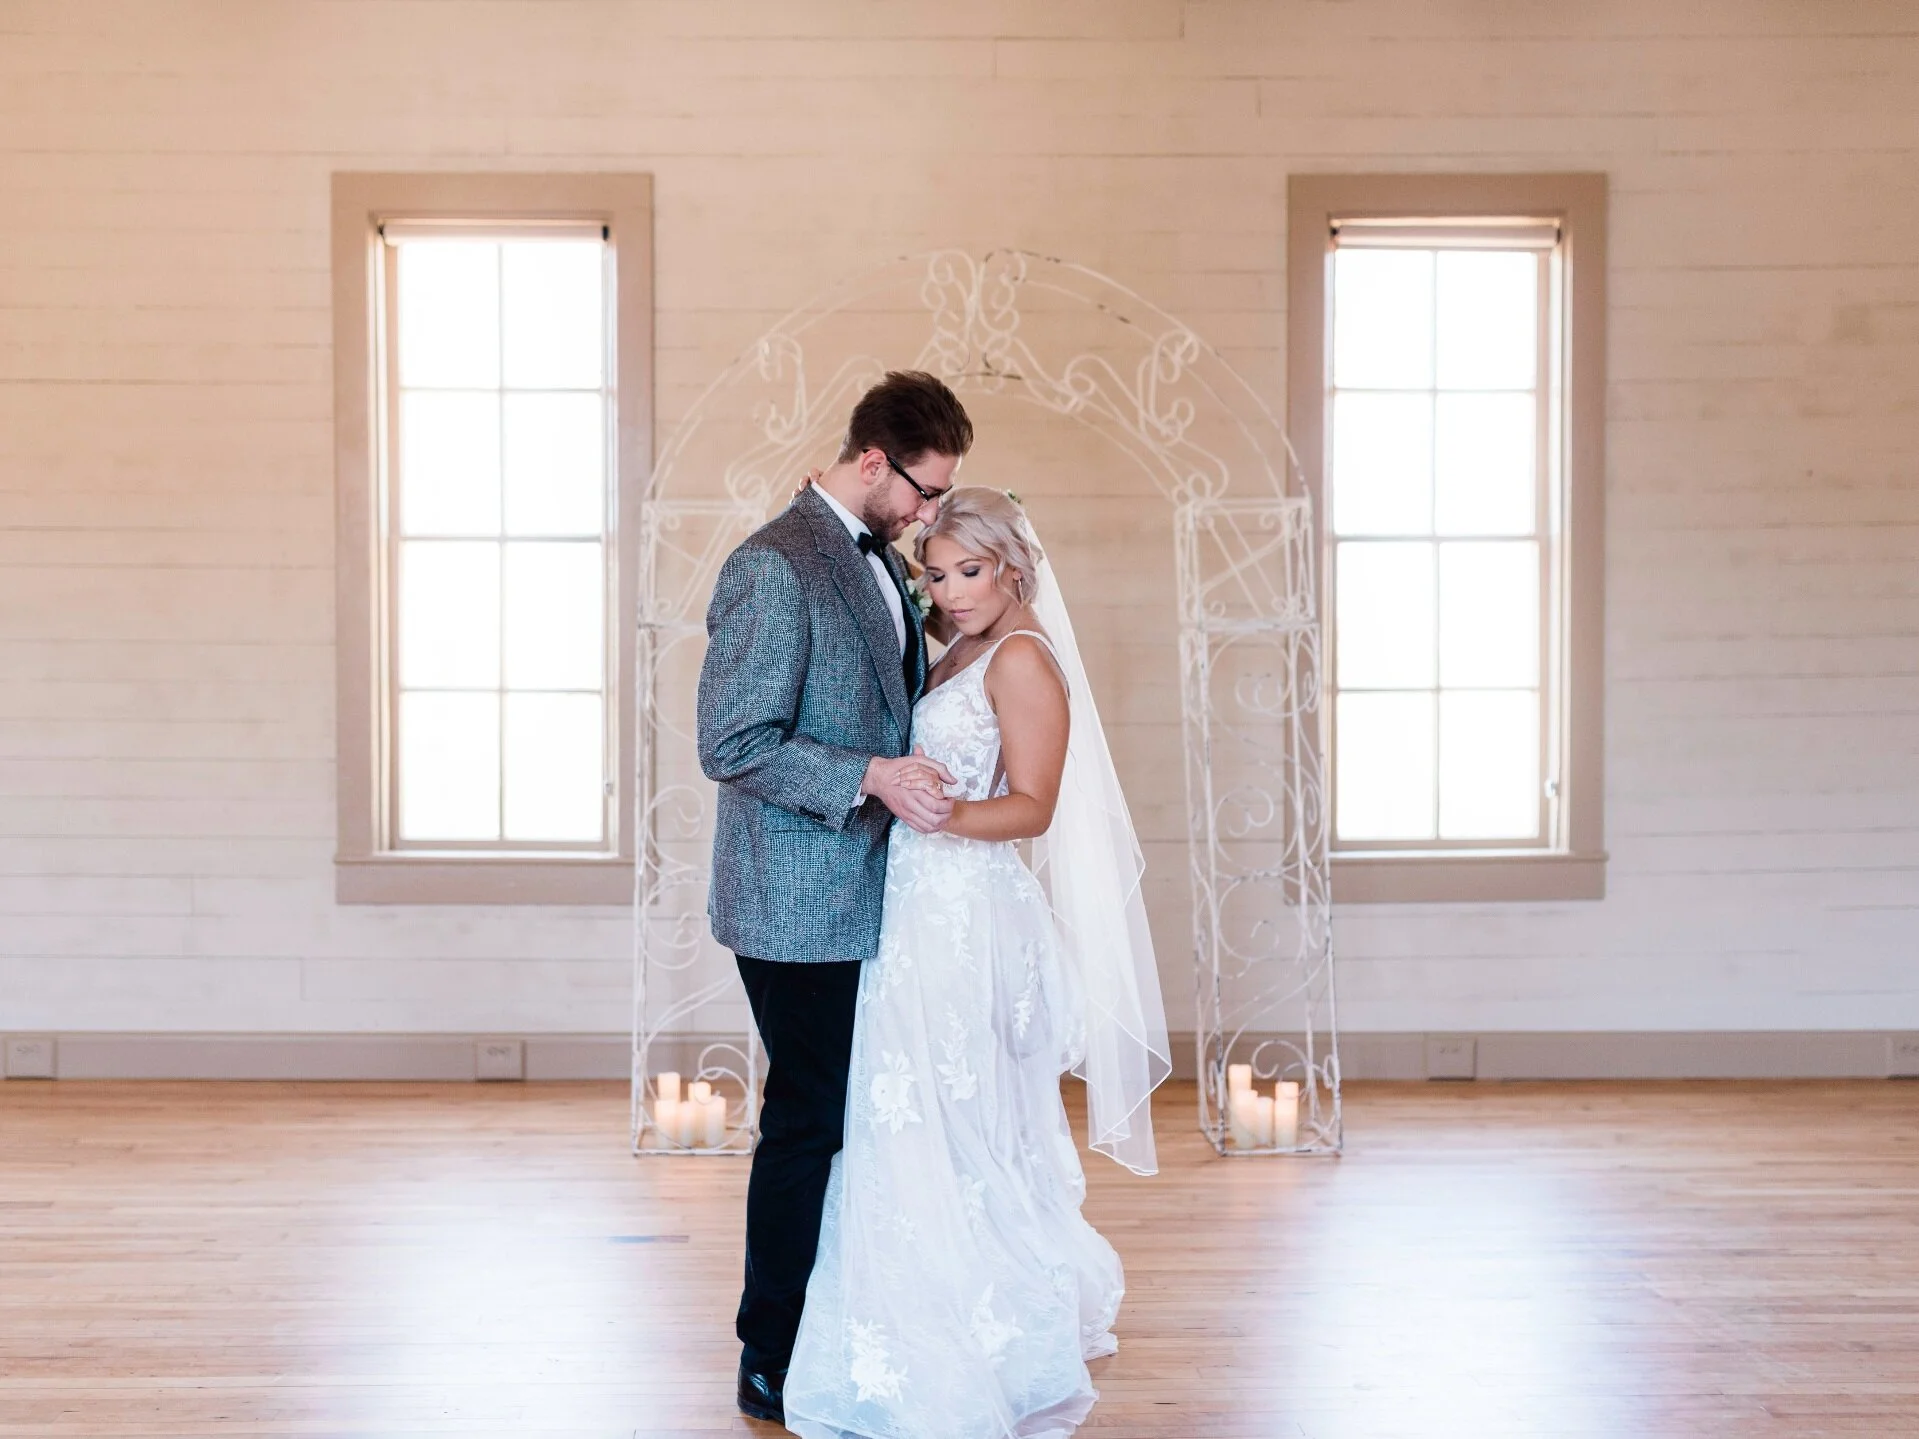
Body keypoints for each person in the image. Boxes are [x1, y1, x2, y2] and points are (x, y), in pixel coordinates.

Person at [781, 487, 1171, 1439]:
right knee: (903, 1105)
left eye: (970, 571)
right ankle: (913, 1285)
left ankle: (984, 1306)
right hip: (911, 905)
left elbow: (1032, 805)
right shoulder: (960, 646)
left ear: (1012, 567)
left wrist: (938, 812)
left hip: (963, 911)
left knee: (954, 1106)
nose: (950, 592)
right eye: (936, 572)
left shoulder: (1027, 657)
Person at [697, 370, 973, 1424]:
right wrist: (869, 774)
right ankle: (765, 1350)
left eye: (941, 497)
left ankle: (843, 1317)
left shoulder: (879, 564)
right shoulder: (773, 565)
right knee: (806, 1121)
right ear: (871, 461)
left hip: (870, 889)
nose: (928, 514)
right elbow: (731, 743)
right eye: (921, 490)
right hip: (793, 897)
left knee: (851, 1114)